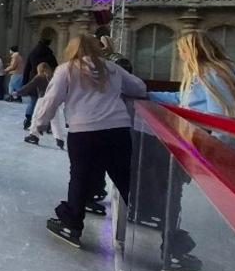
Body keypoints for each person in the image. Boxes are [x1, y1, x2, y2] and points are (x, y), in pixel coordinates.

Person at [149, 31, 235, 271]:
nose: (179, 54)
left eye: (182, 50)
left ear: (192, 50)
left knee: (172, 194)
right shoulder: (202, 74)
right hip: (193, 142)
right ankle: (172, 242)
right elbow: (184, 99)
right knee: (170, 193)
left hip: (199, 144)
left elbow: (220, 116)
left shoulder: (211, 74)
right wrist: (146, 93)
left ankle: (172, 246)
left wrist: (215, 153)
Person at [34, 34, 147, 249]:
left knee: (79, 176)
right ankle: (146, 213)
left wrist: (40, 123)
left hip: (84, 132)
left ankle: (72, 223)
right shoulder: (112, 68)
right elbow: (139, 88)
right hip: (118, 130)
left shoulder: (67, 69)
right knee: (125, 177)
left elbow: (52, 99)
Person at [18, 63, 65, 150]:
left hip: (42, 100)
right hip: (53, 100)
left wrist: (18, 93)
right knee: (55, 121)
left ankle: (34, 135)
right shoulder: (53, 77)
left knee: (36, 117)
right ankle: (59, 139)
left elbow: (30, 86)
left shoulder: (39, 77)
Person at [22, 37, 59, 129]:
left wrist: (24, 82)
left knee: (33, 101)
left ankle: (28, 120)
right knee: (45, 103)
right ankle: (45, 123)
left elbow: (27, 68)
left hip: (33, 78)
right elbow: (56, 67)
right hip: (46, 80)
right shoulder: (49, 54)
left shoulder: (33, 53)